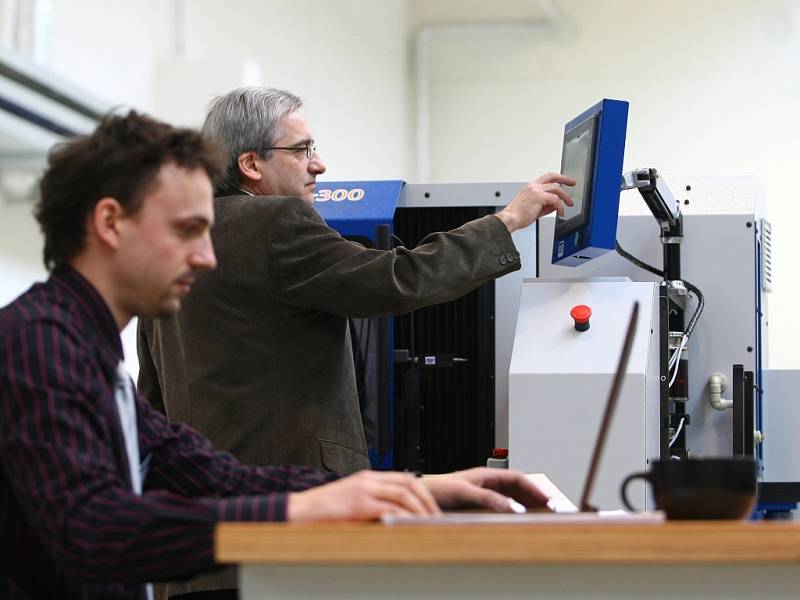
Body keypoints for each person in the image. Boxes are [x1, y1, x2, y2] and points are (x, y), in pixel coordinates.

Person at [0, 111, 552, 600]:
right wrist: (299, 510)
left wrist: (408, 491)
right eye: (187, 231)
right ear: (110, 223)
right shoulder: (39, 345)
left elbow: (214, 474)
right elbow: (93, 529)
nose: (206, 258)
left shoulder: (91, 361)